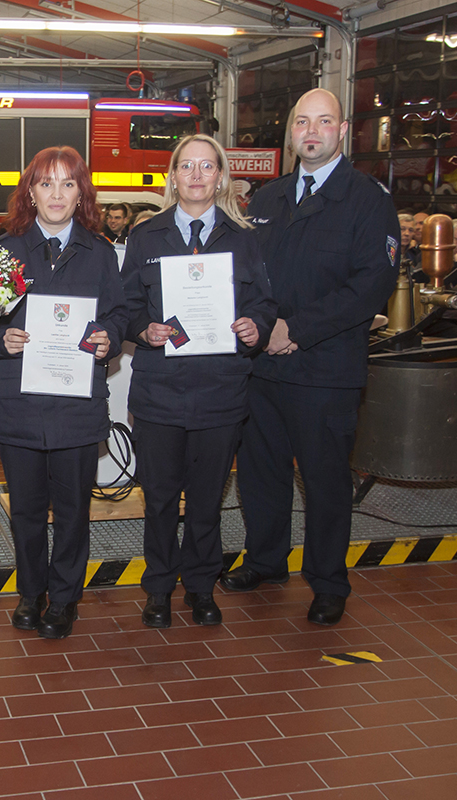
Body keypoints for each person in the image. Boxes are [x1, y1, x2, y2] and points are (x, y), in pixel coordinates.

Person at [222, 89, 398, 626]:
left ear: (343, 131)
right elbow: (244, 273)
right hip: (264, 367)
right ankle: (267, 561)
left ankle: (327, 581)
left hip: (325, 370)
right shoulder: (269, 200)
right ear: (292, 133)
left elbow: (371, 286)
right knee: (260, 473)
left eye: (324, 121)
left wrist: (295, 329)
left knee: (324, 481)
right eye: (302, 122)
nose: (312, 131)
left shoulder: (368, 199)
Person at [0, 146, 127, 639]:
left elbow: (120, 314)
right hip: (21, 401)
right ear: (31, 193)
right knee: (24, 509)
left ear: (81, 191)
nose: (57, 194)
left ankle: (64, 599)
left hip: (76, 402)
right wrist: (2, 340)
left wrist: (110, 337)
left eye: (67, 183)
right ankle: (30, 593)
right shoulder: (5, 252)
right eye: (46, 183)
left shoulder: (101, 252)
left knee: (74, 508)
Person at [123, 134, 275, 629]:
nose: (195, 175)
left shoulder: (244, 237)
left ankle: (202, 587)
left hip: (220, 391)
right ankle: (160, 588)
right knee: (162, 499)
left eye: (206, 167)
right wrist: (142, 329)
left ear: (220, 177)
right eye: (186, 166)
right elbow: (125, 307)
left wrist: (256, 328)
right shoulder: (146, 237)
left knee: (208, 501)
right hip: (160, 391)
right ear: (172, 176)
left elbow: (263, 304)